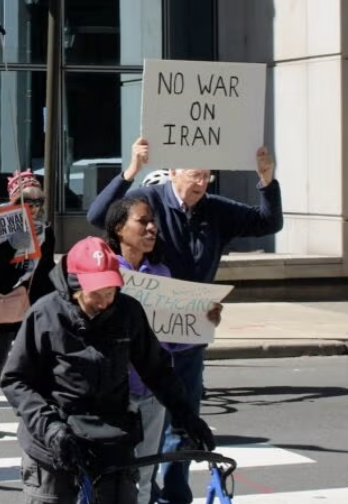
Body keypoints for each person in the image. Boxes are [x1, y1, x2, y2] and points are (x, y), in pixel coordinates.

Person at [86, 138, 282, 504]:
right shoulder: (149, 201)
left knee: (182, 422)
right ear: (173, 172)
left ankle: (175, 496)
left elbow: (268, 221)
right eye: (195, 175)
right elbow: (100, 215)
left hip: (188, 339)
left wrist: (266, 180)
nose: (202, 183)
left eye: (207, 176)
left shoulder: (215, 210)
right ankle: (143, 493)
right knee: (142, 427)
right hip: (144, 343)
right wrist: (132, 170)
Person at [1, 236, 216, 504]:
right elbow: (15, 381)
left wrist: (186, 415)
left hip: (111, 442)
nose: (104, 302)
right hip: (55, 443)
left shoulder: (127, 311)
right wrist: (51, 428)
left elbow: (156, 369)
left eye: (110, 292)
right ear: (75, 287)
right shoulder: (45, 314)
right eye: (96, 294)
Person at [103, 196, 223, 504]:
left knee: (144, 476)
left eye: (153, 221)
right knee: (110, 475)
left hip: (151, 394)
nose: (151, 228)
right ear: (119, 228)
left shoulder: (161, 274)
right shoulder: (104, 273)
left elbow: (171, 339)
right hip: (114, 394)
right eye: (142, 221)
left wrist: (202, 323)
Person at [0, 169, 55, 438]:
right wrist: (12, 245)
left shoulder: (44, 228)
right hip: (1, 299)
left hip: (30, 300)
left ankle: (37, 416)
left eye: (38, 202)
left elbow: (46, 269)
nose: (33, 207)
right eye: (26, 201)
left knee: (34, 363)